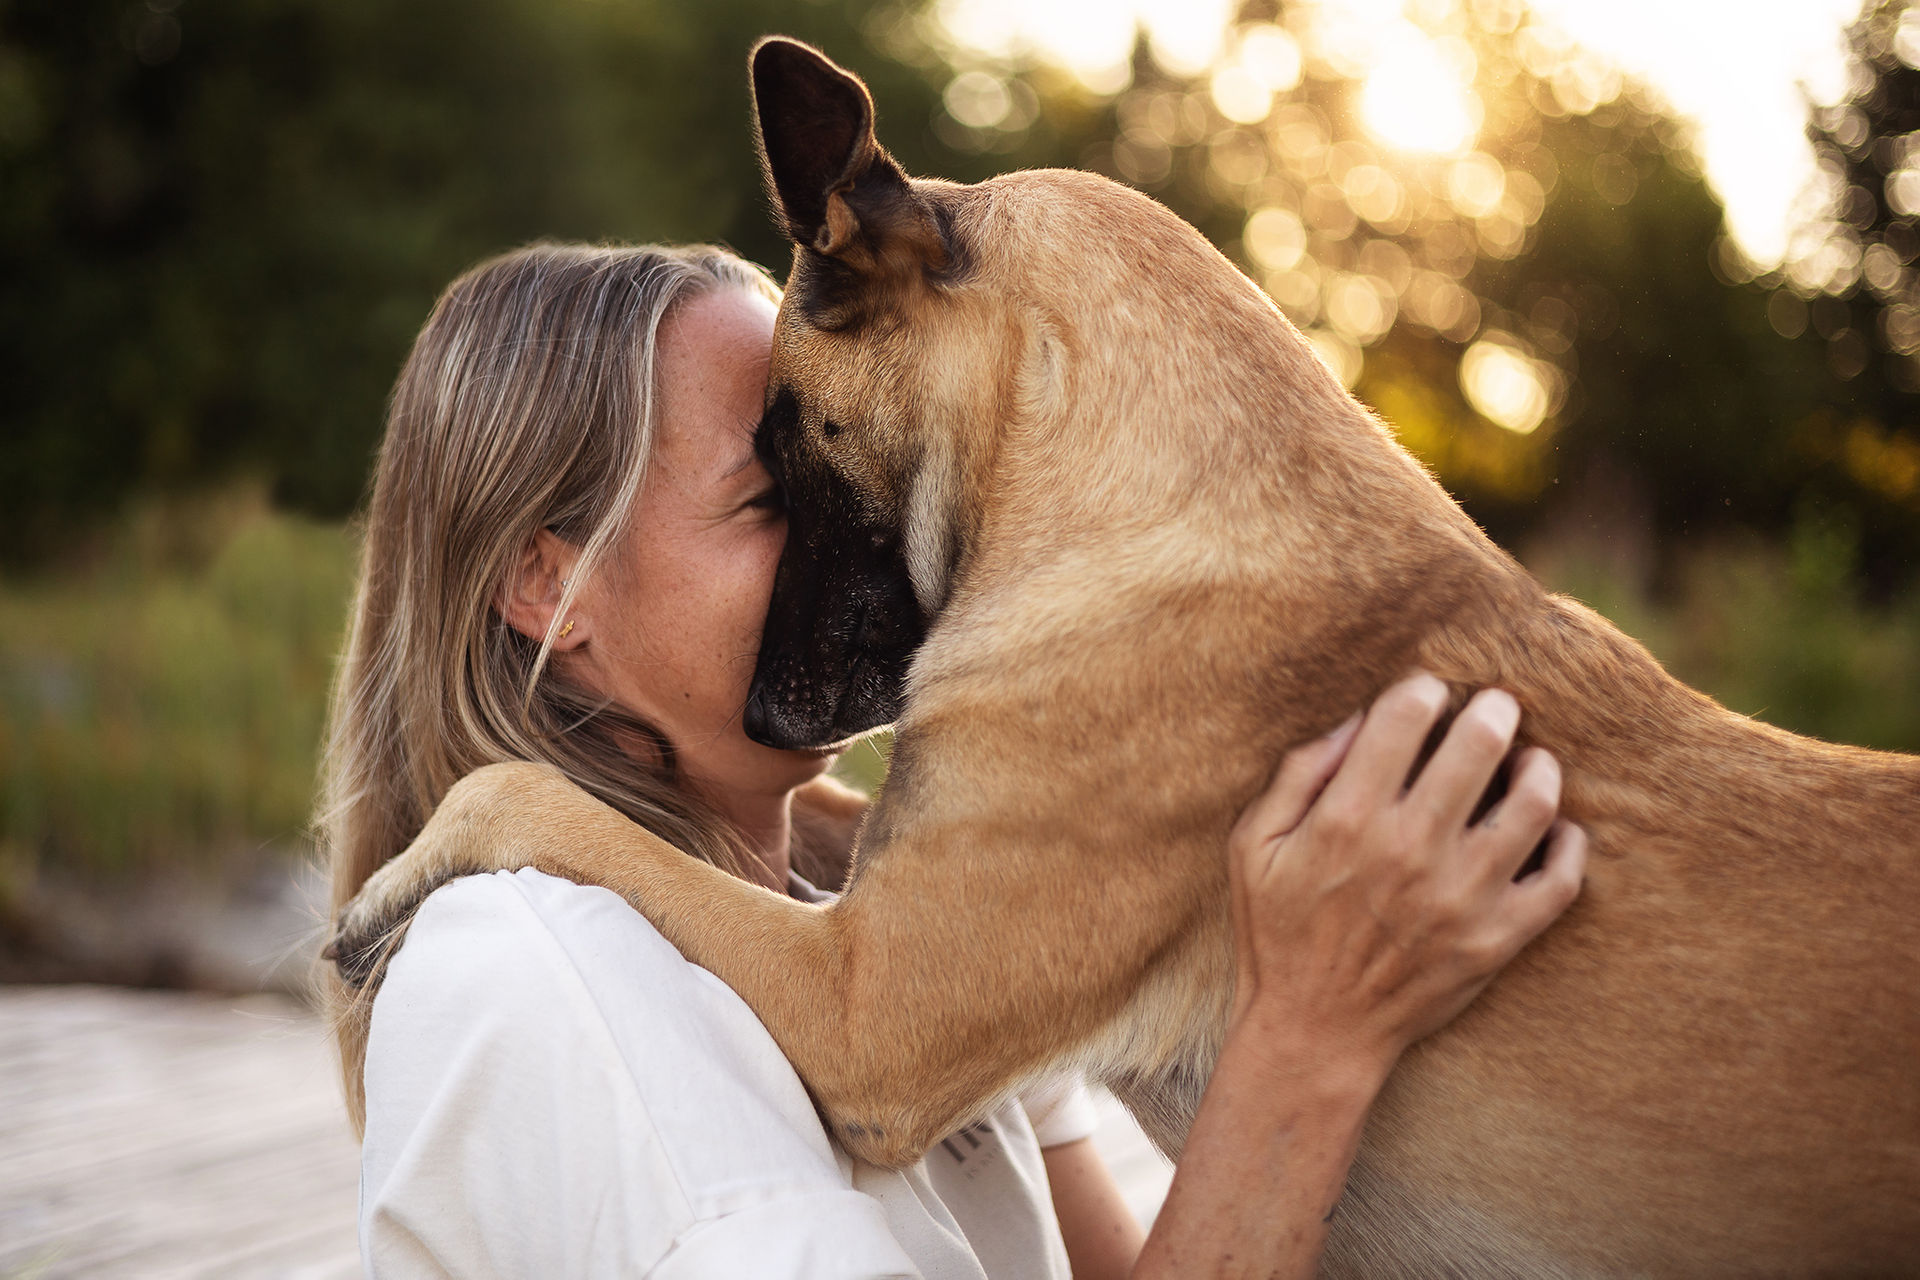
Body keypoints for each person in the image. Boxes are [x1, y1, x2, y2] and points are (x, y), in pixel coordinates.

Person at [318, 242, 1587, 1279]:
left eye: (855, 455)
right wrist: (1310, 1035)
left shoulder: (874, 909)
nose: (873, 537)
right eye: (774, 500)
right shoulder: (546, 988)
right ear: (548, 582)